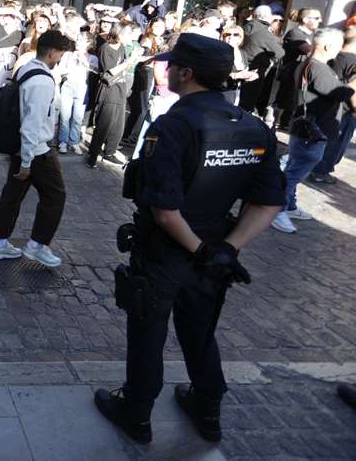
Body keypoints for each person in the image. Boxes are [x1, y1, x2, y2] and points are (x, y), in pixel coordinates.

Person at [94, 33, 284, 445]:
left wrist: (202, 249)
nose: (164, 70)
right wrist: (227, 249)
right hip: (216, 250)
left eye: (171, 65)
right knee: (200, 330)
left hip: (169, 251)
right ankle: (207, 406)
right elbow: (269, 202)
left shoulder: (175, 125)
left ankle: (137, 411)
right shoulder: (254, 127)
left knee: (148, 331)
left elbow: (164, 210)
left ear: (187, 72)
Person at [0, 31, 75, 266]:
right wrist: (26, 162)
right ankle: (37, 245)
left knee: (12, 197)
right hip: (36, 152)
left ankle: (0, 244)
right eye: (60, 53)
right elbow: (32, 124)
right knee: (55, 196)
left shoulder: (27, 69)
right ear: (52, 52)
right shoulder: (42, 80)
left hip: (24, 148)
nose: (61, 58)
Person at [271, 28, 353, 233]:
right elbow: (340, 93)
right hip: (312, 130)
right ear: (328, 46)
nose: (339, 51)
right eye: (338, 46)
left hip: (310, 128)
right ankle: (277, 210)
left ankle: (288, 205)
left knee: (297, 168)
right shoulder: (318, 68)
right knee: (295, 171)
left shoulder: (311, 64)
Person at [87, 24, 141, 168]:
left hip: (120, 89)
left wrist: (133, 60)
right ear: (119, 33)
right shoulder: (105, 48)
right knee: (104, 125)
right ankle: (92, 156)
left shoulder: (122, 48)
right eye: (128, 34)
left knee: (118, 126)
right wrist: (130, 60)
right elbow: (109, 71)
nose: (131, 37)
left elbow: (124, 68)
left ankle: (109, 152)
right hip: (109, 91)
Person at [309, 25, 356, 184]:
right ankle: (320, 172)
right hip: (339, 111)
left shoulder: (328, 59)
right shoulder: (320, 65)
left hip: (326, 109)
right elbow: (348, 91)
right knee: (333, 144)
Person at [238, 5, 284, 119]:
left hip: (241, 65)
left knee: (238, 98)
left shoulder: (245, 26)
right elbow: (280, 53)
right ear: (267, 17)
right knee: (247, 101)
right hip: (255, 70)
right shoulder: (264, 33)